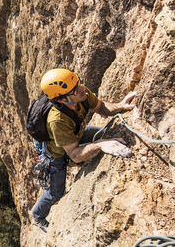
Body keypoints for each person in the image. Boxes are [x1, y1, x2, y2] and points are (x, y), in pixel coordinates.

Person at [31, 68, 136, 232]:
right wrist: (100, 144)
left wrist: (121, 106)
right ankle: (38, 215)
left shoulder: (80, 92)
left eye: (77, 83)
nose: (81, 89)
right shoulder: (57, 120)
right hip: (57, 153)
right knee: (56, 193)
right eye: (74, 89)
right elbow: (75, 154)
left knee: (103, 134)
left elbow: (102, 107)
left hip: (75, 135)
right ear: (62, 99)